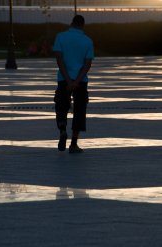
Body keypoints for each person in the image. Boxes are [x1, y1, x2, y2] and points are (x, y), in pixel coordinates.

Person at [52, 15, 94, 153]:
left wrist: (68, 80)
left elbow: (59, 60)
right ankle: (74, 144)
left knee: (61, 105)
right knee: (80, 110)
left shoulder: (60, 37)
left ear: (71, 23)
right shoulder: (88, 41)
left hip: (64, 79)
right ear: (83, 26)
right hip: (80, 81)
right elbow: (87, 65)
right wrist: (76, 81)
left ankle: (62, 128)